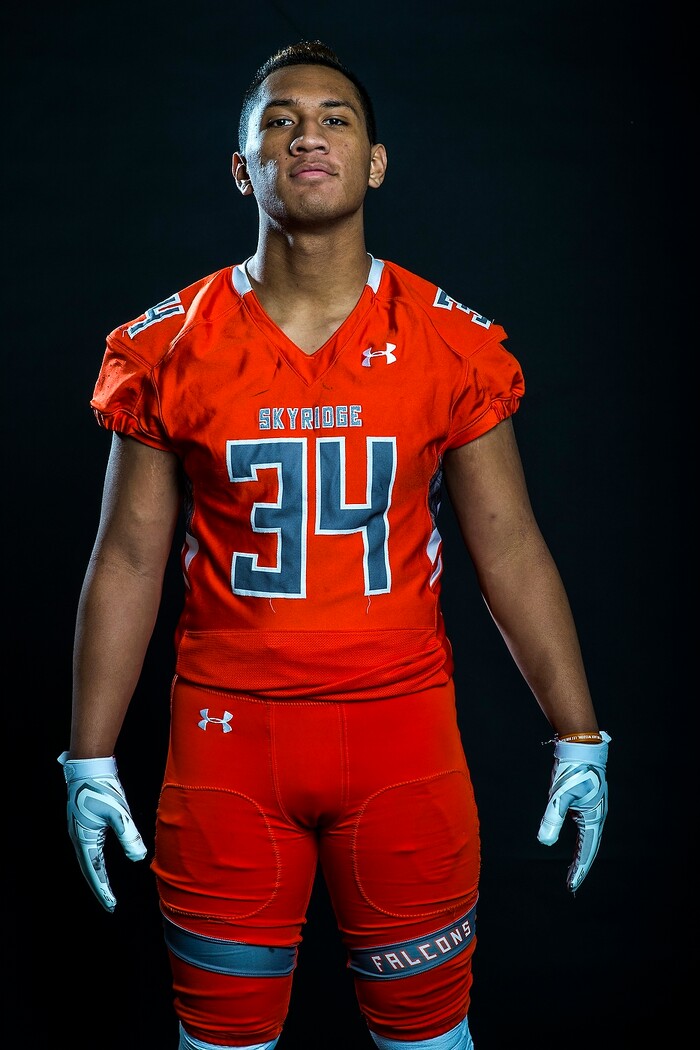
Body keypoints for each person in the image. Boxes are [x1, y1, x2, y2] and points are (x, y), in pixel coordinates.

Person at [58, 39, 611, 1050]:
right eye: (276, 119)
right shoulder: (166, 343)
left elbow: (509, 546)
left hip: (401, 739)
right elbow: (128, 559)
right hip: (228, 745)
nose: (305, 133)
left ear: (374, 162)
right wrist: (87, 757)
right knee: (218, 1044)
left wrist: (579, 731)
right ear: (242, 167)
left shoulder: (450, 340)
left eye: (333, 118)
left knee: (432, 1043)